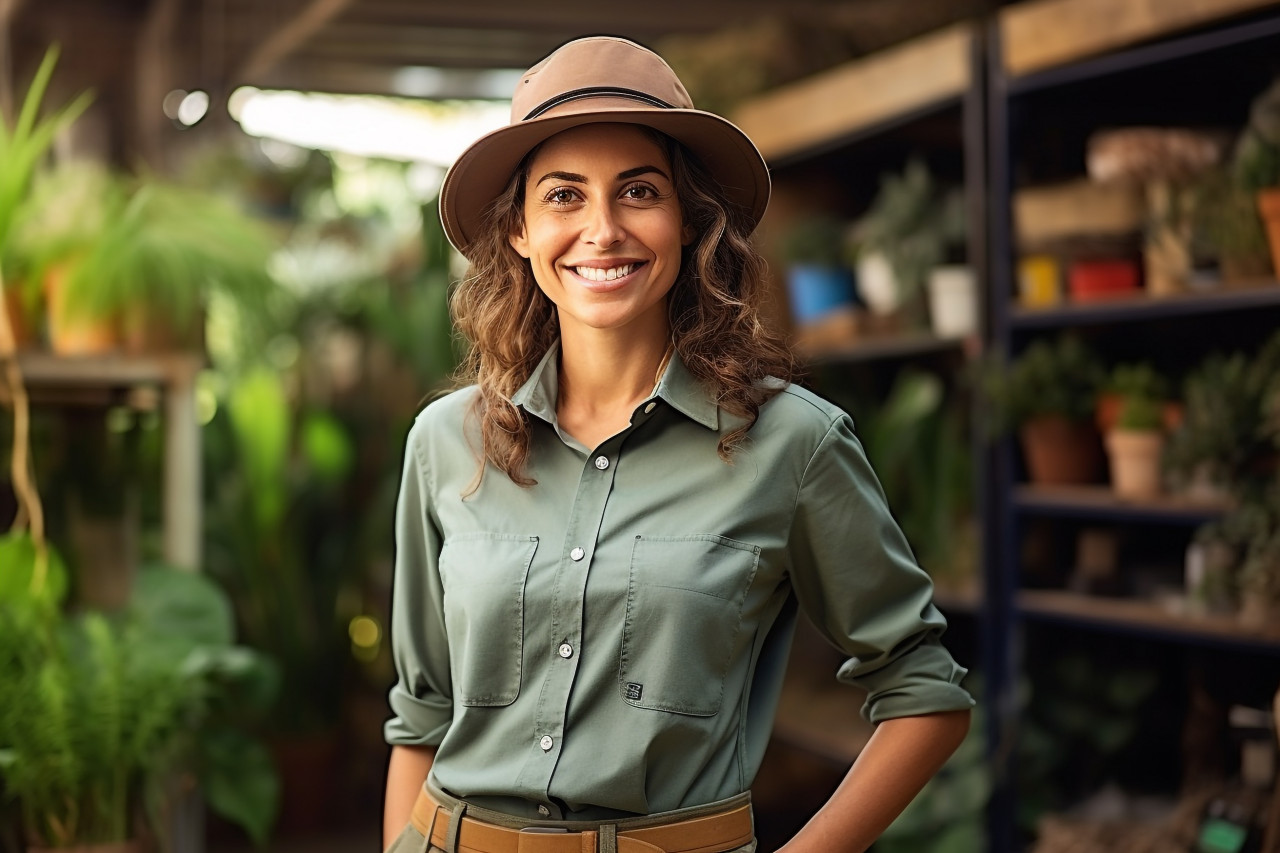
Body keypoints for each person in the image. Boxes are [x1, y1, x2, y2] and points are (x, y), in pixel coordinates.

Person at [382, 35, 974, 853]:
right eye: (562, 196)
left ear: (691, 221)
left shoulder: (791, 442)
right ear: (518, 229)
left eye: (637, 191)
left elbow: (925, 694)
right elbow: (420, 714)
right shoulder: (445, 443)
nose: (602, 229)